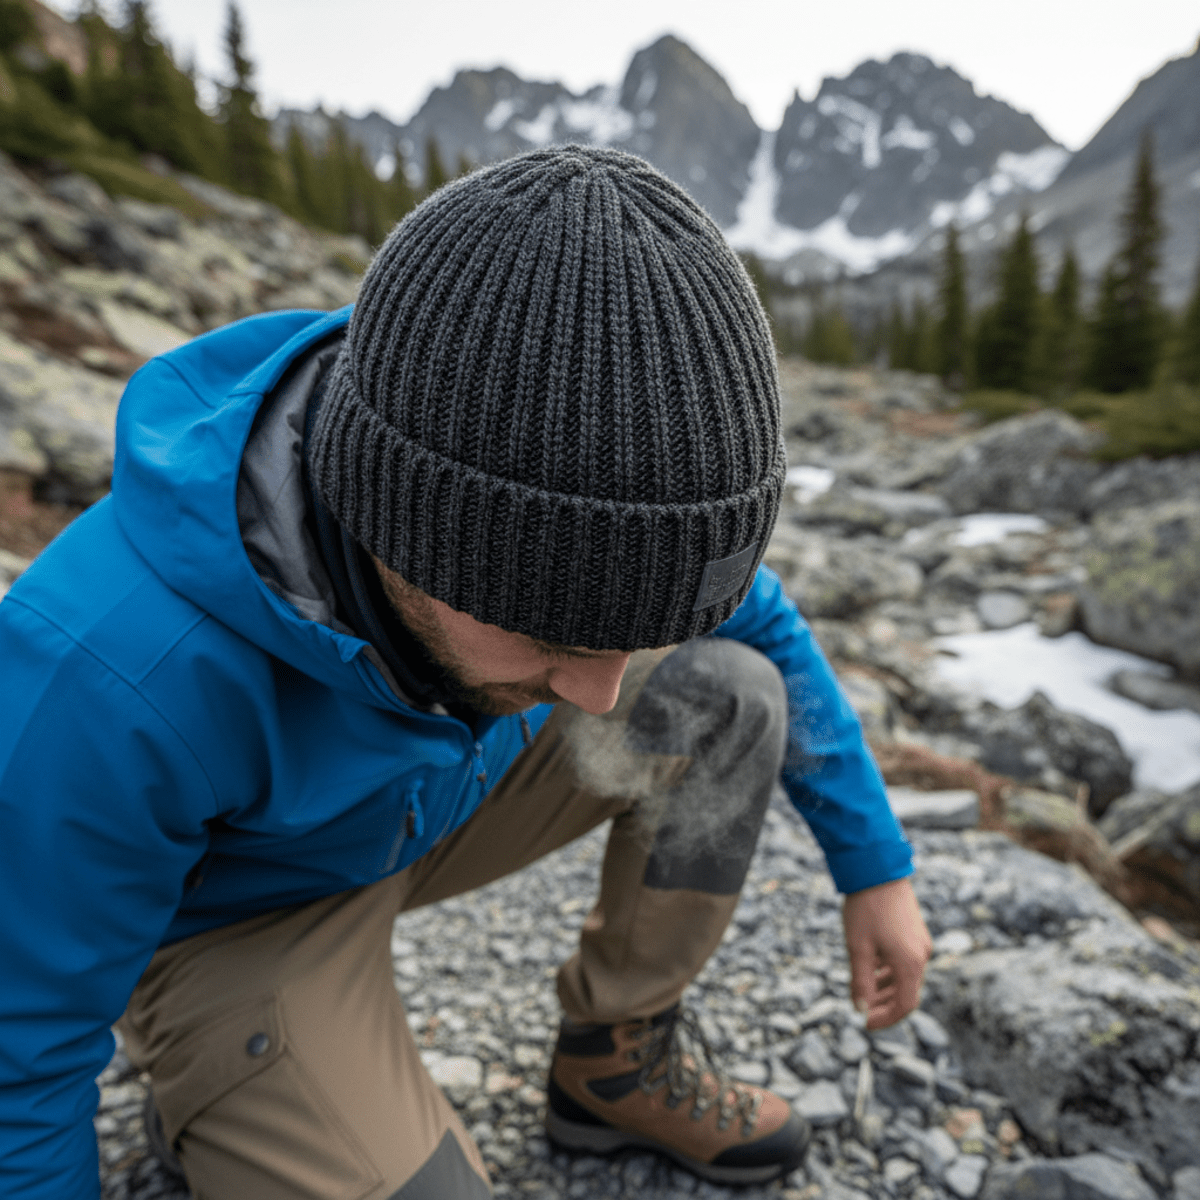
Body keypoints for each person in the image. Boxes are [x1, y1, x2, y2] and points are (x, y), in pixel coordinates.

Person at [0, 146, 931, 1198]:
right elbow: (14, 1063)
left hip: (427, 801)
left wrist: (876, 865)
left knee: (725, 694)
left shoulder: (547, 593)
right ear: (406, 531)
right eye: (557, 637)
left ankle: (612, 1063)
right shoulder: (103, 667)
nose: (603, 692)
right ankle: (220, 1084)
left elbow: (749, 625)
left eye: (634, 629)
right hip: (238, 918)